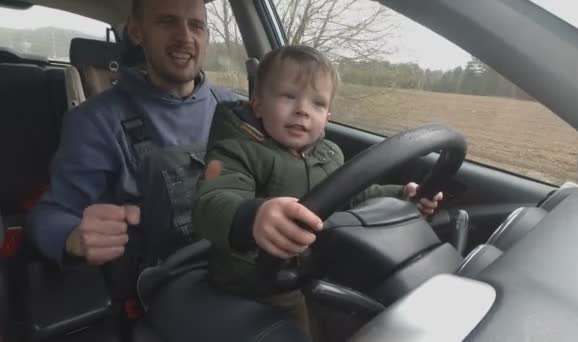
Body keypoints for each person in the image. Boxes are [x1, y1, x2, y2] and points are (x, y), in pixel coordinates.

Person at [192, 45, 443, 334]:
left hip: (312, 271)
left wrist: (401, 195)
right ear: (257, 103)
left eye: (317, 103)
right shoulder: (238, 151)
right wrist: (255, 216)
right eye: (288, 96)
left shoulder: (328, 154)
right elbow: (210, 202)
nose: (302, 110)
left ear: (327, 116)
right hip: (254, 283)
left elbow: (353, 196)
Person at [26, 0, 235, 266]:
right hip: (160, 288)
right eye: (167, 21)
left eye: (197, 26)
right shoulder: (96, 121)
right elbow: (49, 214)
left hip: (244, 271)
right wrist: (73, 236)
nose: (185, 37)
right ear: (137, 32)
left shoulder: (234, 108)